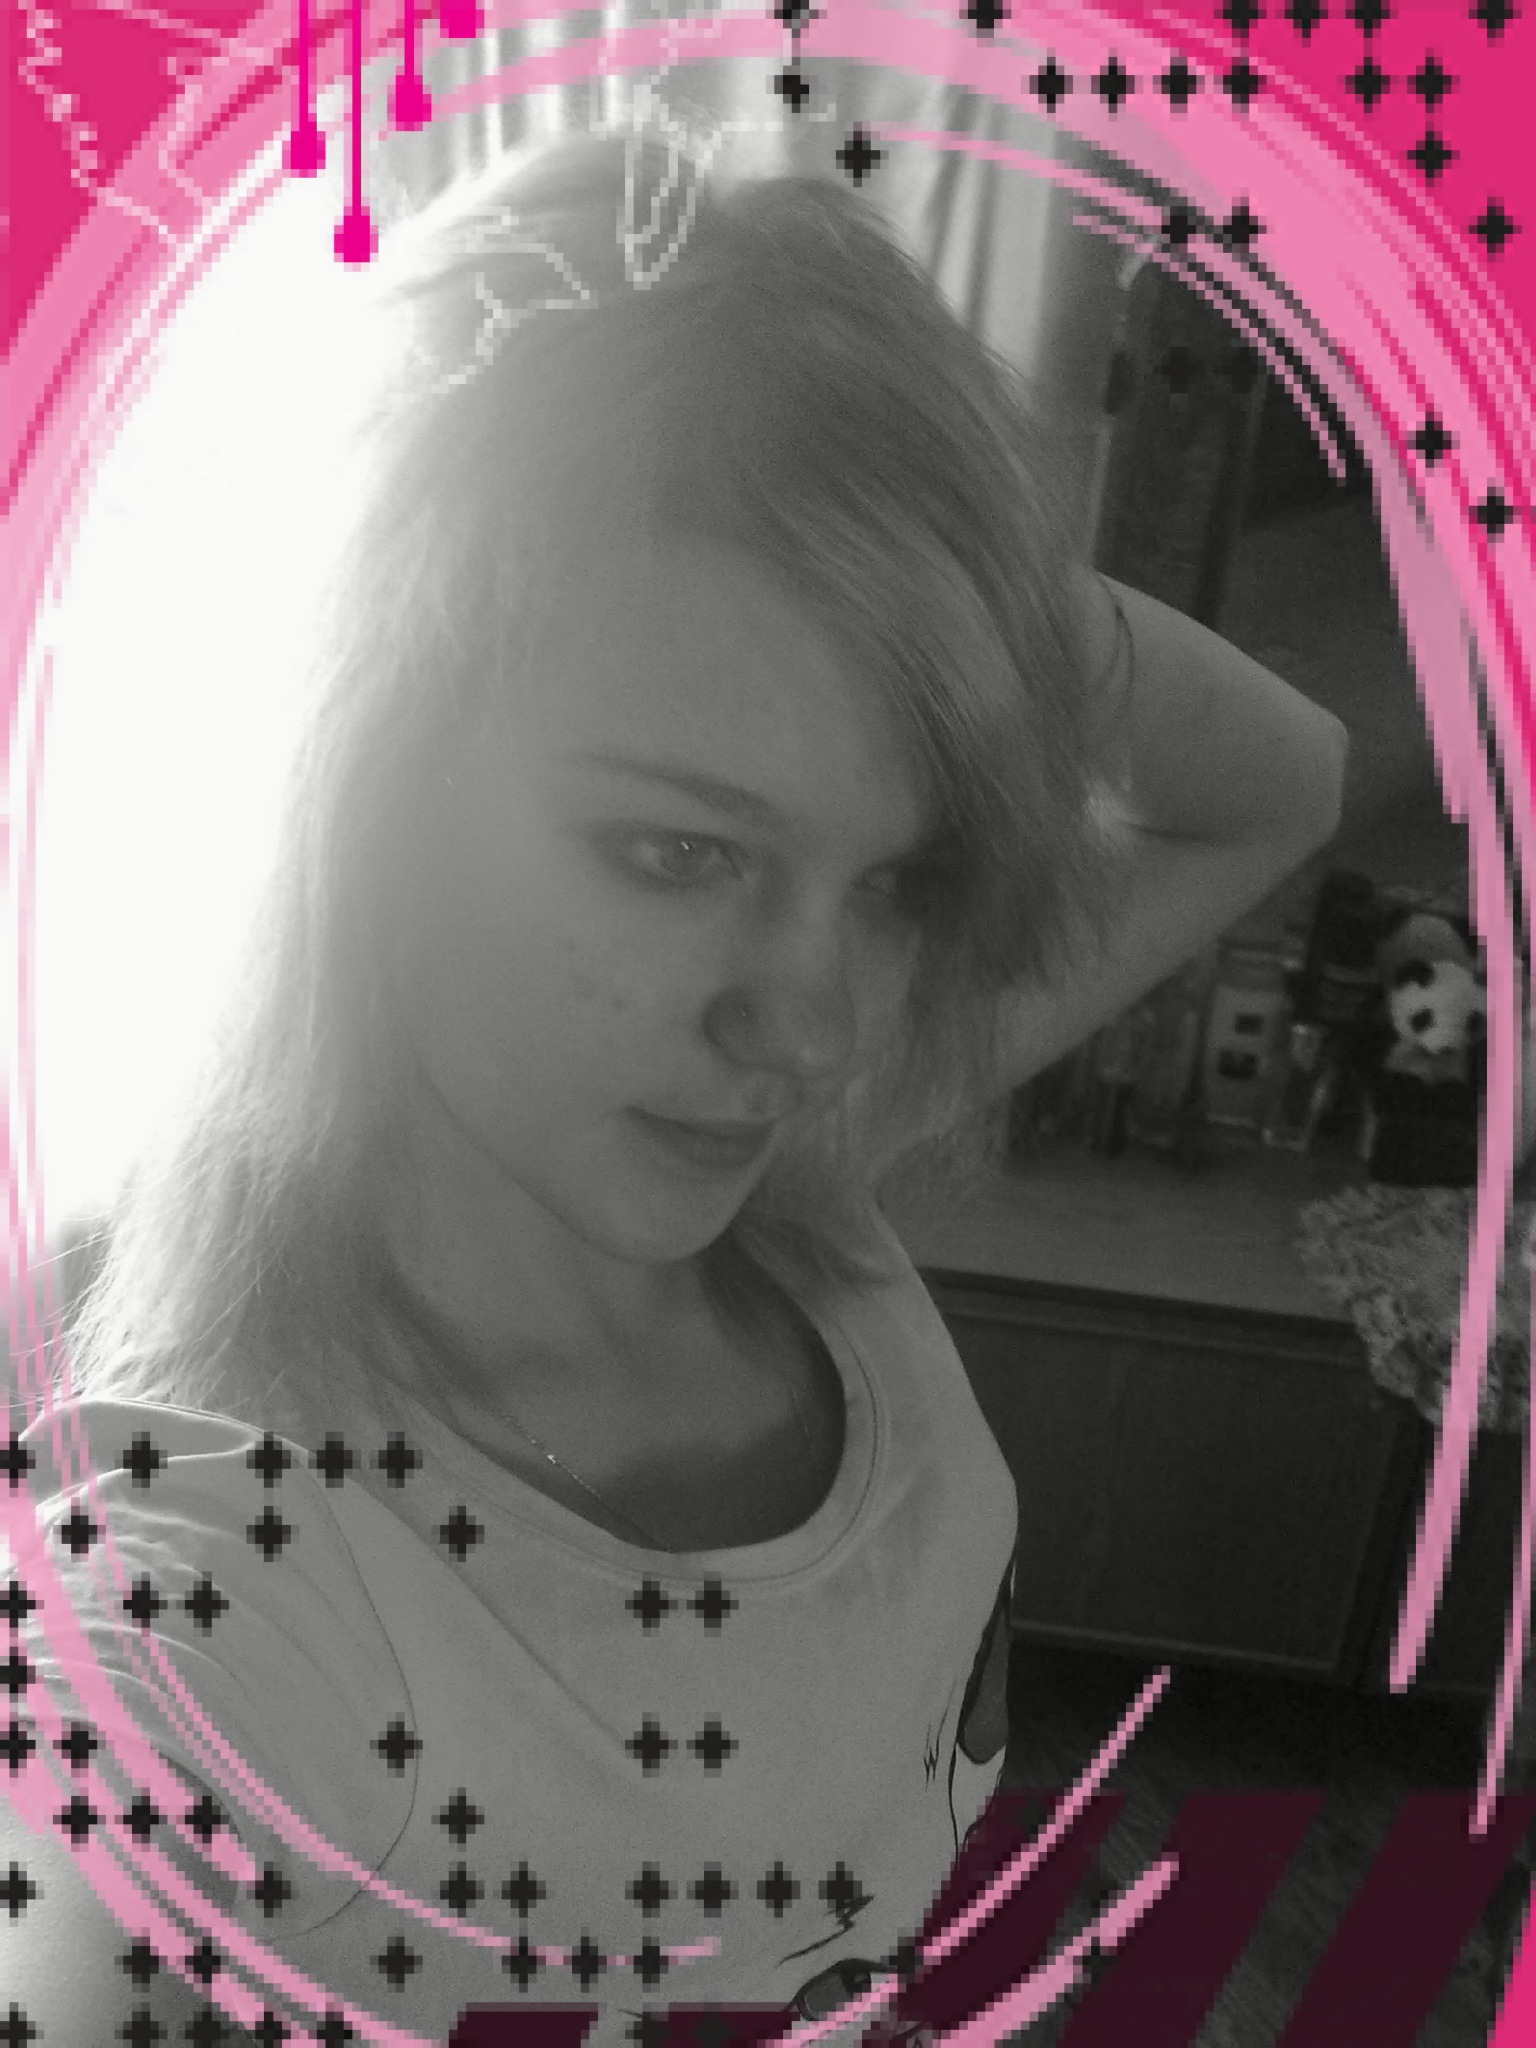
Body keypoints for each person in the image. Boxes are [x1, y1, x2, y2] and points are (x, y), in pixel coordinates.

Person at [1, 126, 1347, 2046]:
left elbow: (1282, 781)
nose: (818, 1031)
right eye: (677, 854)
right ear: (360, 789)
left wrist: (903, 562)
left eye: (897, 881)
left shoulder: (778, 1199)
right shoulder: (205, 1597)